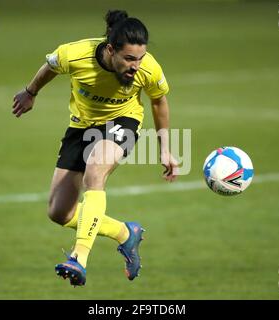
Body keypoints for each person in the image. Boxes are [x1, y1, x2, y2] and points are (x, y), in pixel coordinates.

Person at [12, 9, 178, 287]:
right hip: (81, 127)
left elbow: (159, 101)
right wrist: (30, 92)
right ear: (110, 50)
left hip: (122, 122)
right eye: (129, 59)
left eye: (140, 58)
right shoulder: (74, 54)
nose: (136, 65)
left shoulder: (148, 68)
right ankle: (125, 233)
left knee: (95, 173)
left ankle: (79, 257)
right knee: (59, 213)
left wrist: (165, 148)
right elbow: (49, 68)